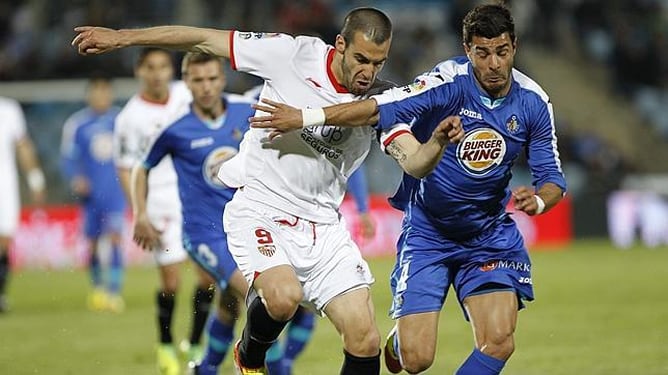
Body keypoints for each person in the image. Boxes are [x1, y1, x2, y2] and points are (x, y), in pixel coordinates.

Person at [72, 8, 463, 374]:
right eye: (362, 59)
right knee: (282, 297)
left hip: (324, 228)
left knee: (366, 339)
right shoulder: (290, 55)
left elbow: (412, 161)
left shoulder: (378, 99)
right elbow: (203, 38)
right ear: (340, 44)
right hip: (260, 209)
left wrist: (436, 145)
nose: (368, 71)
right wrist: (122, 38)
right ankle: (250, 356)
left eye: (378, 62)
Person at [248, 4, 568, 374]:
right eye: (483, 53)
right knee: (416, 360)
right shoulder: (445, 83)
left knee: (499, 341)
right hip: (429, 232)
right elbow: (378, 108)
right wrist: (308, 116)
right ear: (468, 50)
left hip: (488, 234)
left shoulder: (533, 101)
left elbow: (552, 179)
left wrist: (540, 201)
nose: (494, 63)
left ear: (514, 47)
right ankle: (400, 344)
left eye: (502, 51)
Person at [131, 52, 252, 375]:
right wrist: (140, 213)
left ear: (222, 80)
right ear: (186, 83)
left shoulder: (246, 111)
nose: (206, 87)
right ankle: (266, 366)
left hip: (245, 227)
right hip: (204, 234)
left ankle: (206, 368)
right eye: (197, 80)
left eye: (212, 79)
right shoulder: (175, 130)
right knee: (261, 296)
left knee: (230, 302)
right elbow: (140, 169)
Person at [113, 47, 213, 374]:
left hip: (196, 196)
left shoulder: (187, 94)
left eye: (163, 67)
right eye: (150, 67)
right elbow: (126, 168)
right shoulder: (129, 117)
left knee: (209, 277)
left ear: (173, 71)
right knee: (171, 282)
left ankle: (196, 341)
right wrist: (139, 212)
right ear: (139, 71)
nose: (157, 74)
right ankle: (166, 344)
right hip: (158, 203)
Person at [60, 76, 126, 313]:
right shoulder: (77, 124)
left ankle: (114, 291)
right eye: (96, 92)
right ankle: (98, 288)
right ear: (89, 95)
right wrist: (76, 177)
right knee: (94, 243)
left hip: (116, 192)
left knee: (116, 237)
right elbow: (68, 158)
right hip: (90, 196)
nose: (101, 97)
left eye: (105, 92)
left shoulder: (121, 120)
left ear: (110, 94)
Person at [0, 96, 45, 313]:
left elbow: (23, 146)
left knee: (5, 240)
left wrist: (35, 178)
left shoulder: (9, 109)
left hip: (5, 186)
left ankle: (0, 294)